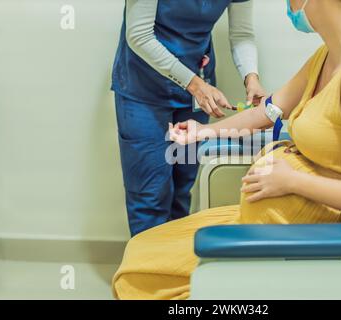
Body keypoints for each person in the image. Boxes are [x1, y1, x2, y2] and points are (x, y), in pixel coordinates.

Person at [112, 0, 341, 299]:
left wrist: (292, 180)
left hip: (306, 235)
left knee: (138, 281)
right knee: (141, 249)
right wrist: (204, 131)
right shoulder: (328, 56)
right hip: (268, 223)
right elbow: (269, 111)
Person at [112, 0, 266, 236]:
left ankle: (174, 265)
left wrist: (251, 77)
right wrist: (194, 84)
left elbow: (242, 33)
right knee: (149, 193)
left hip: (196, 87)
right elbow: (139, 35)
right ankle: (147, 268)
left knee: (183, 185)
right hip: (143, 88)